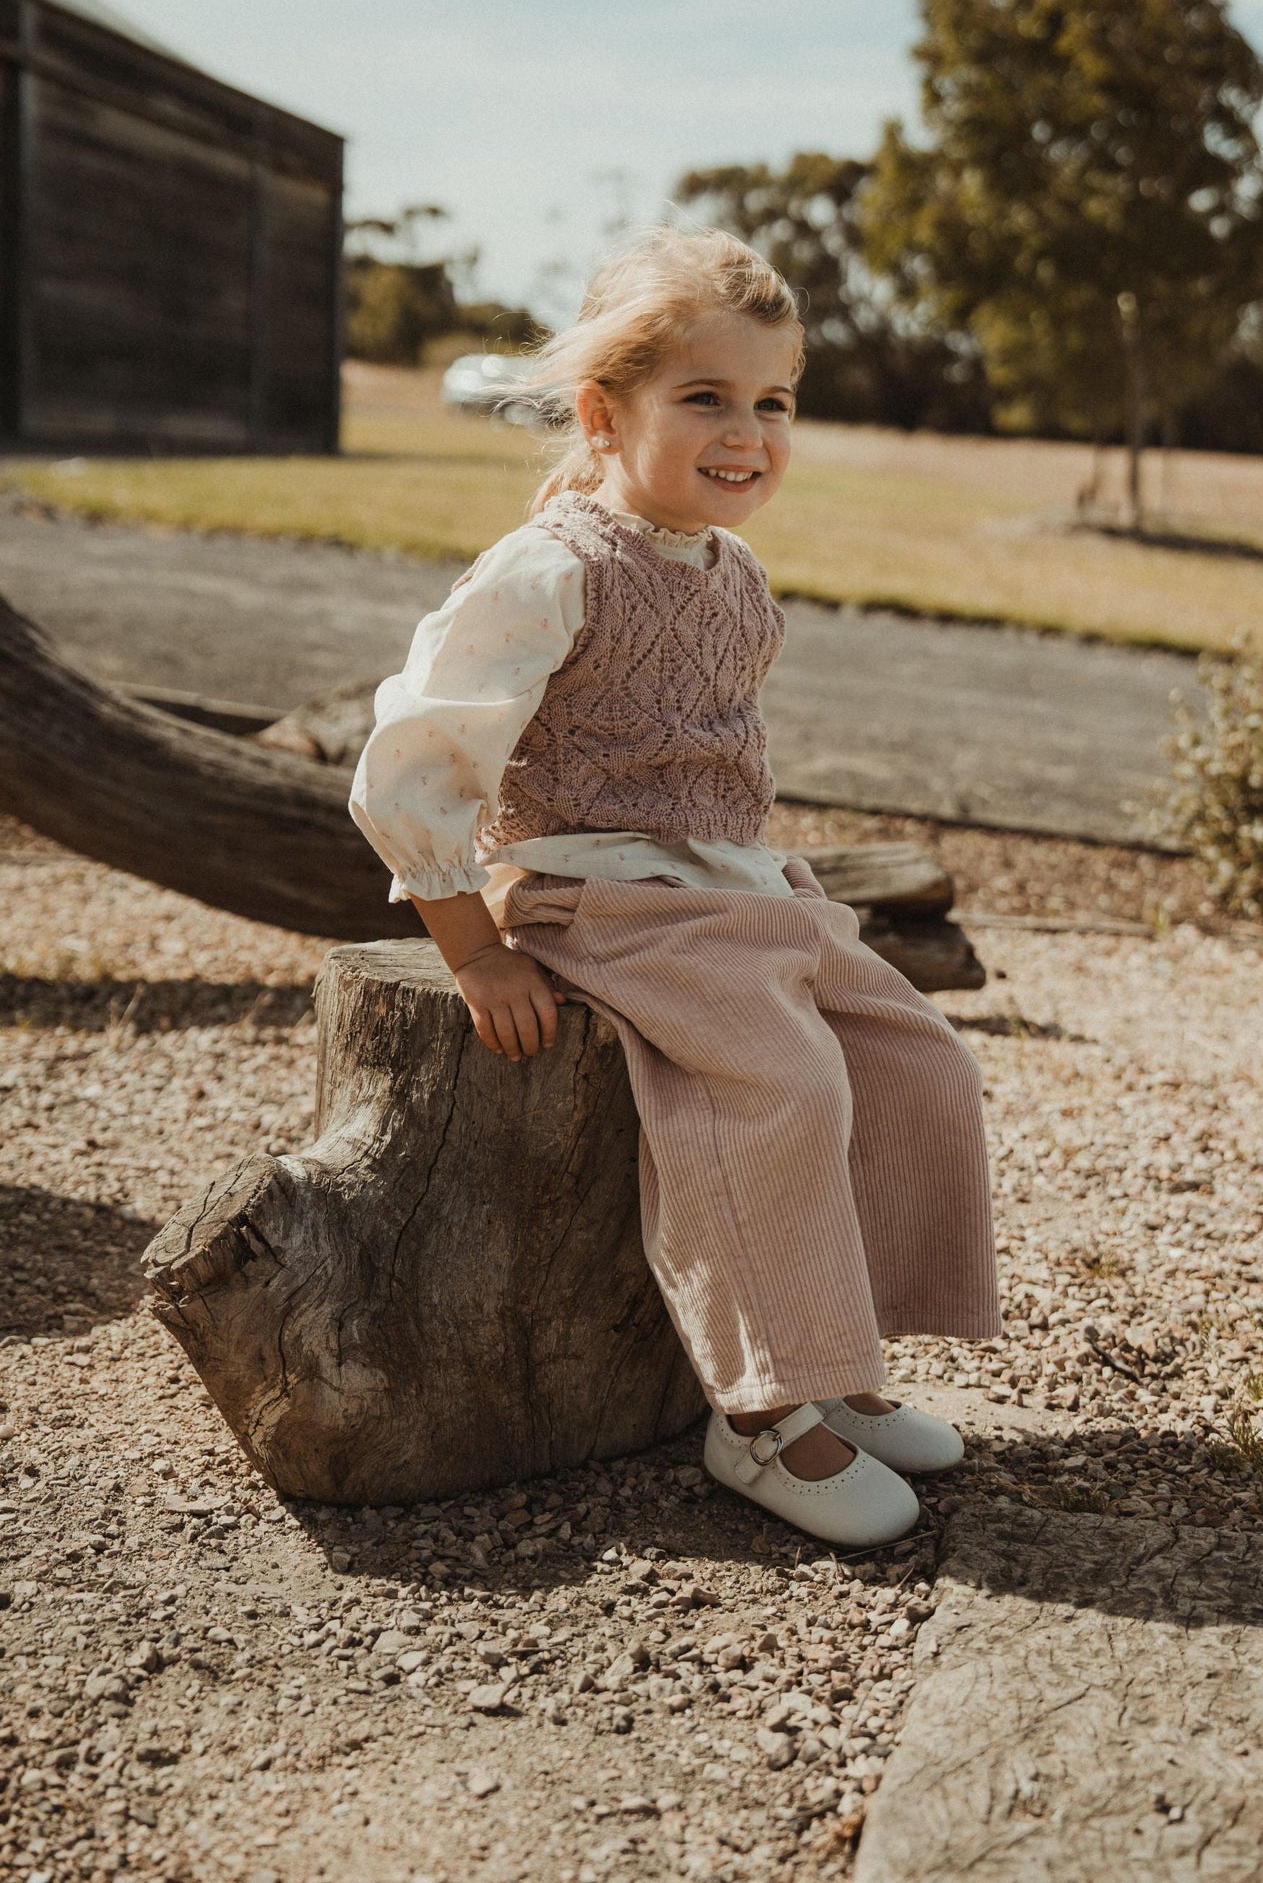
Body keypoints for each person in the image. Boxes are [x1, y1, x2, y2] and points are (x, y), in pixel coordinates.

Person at [350, 226, 998, 1547]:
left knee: (914, 1064)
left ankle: (835, 1358)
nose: (745, 433)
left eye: (772, 403)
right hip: (601, 899)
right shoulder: (552, 567)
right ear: (603, 413)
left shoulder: (732, 570)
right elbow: (414, 762)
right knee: (776, 1084)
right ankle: (759, 1417)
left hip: (731, 895)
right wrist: (473, 948)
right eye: (703, 397)